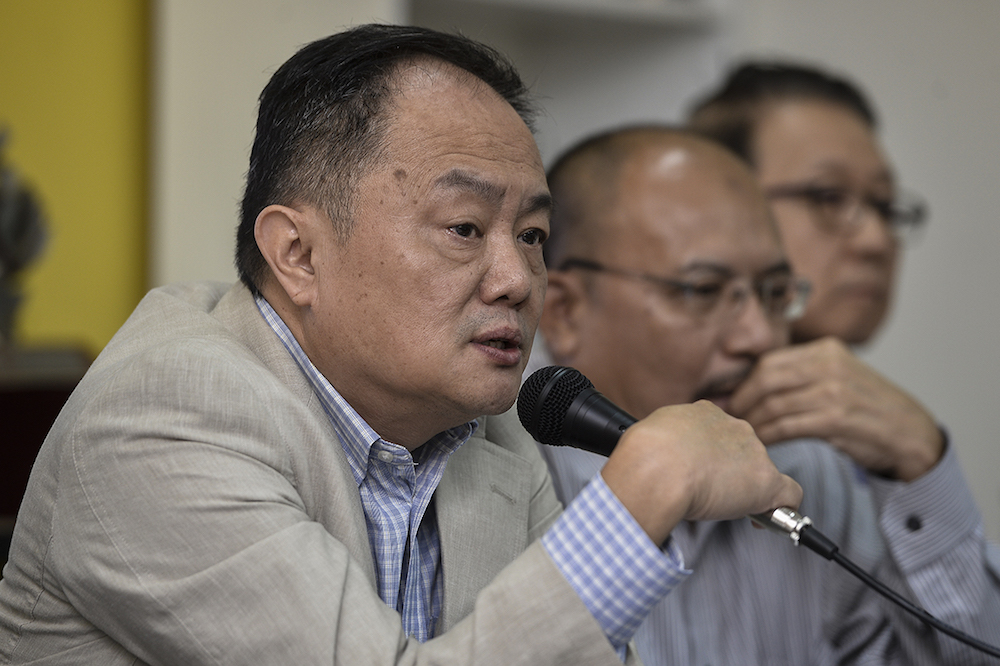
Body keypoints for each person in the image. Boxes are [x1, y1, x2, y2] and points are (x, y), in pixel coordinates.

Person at [0, 25, 802, 665]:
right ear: (298, 255)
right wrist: (646, 491)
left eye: (532, 234)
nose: (518, 279)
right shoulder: (161, 422)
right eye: (463, 228)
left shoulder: (491, 438)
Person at [530, 124, 1000, 664]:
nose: (758, 337)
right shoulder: (504, 475)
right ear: (565, 311)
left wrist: (921, 466)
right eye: (703, 291)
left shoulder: (805, 470)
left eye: (774, 293)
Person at [687, 61, 942, 484]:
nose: (876, 240)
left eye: (883, 204)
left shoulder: (879, 435)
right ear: (719, 200)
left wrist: (928, 462)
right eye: (828, 196)